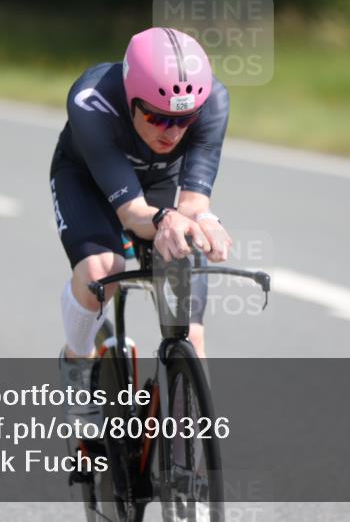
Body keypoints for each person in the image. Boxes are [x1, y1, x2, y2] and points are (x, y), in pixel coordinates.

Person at [50, 27, 232, 425]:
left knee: (191, 330)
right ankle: (77, 362)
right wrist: (165, 220)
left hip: (158, 184)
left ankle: (192, 459)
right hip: (90, 180)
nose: (172, 132)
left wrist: (203, 221)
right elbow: (132, 213)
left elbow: (194, 201)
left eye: (184, 120)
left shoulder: (213, 100)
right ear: (131, 97)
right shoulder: (91, 99)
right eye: (157, 117)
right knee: (103, 269)